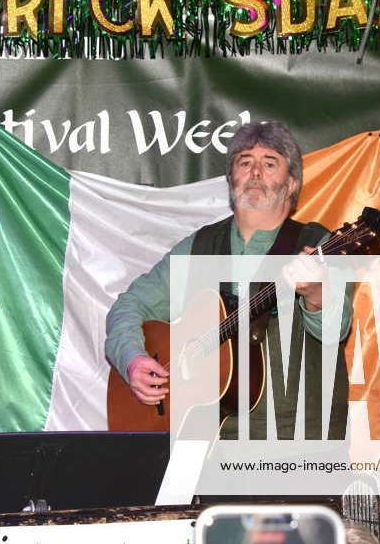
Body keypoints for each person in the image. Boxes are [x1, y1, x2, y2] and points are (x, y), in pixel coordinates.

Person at [105, 121, 353, 440]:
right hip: (204, 442)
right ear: (231, 180)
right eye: (245, 161)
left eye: (270, 163)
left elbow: (336, 329)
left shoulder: (317, 246)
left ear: (292, 184)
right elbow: (129, 306)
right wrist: (133, 360)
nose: (255, 172)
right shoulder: (198, 248)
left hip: (297, 445)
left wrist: (317, 294)